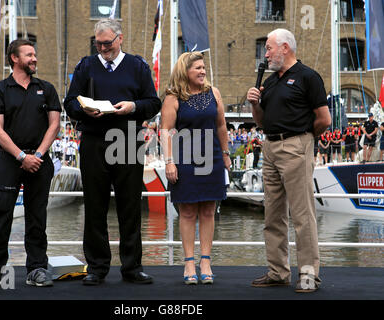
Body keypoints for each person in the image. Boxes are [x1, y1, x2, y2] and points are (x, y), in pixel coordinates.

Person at [64, 18, 161, 286]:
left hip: (127, 139)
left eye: (107, 43)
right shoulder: (86, 66)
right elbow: (69, 101)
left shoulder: (138, 67)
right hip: (94, 141)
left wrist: (133, 107)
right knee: (94, 205)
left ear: (120, 39)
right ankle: (97, 267)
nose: (103, 49)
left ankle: (132, 267)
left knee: (130, 205)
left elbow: (153, 103)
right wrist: (82, 109)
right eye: (99, 44)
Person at [247, 28, 331, 293]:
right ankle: (278, 271)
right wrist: (254, 104)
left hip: (296, 145)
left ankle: (308, 274)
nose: (266, 53)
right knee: (272, 213)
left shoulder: (308, 77)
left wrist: (303, 139)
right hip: (269, 146)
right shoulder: (270, 82)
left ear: (285, 48)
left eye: (269, 48)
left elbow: (325, 119)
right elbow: (261, 121)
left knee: (302, 215)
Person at [0, 39, 61, 288]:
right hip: (9, 161)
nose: (34, 58)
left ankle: (36, 268)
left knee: (37, 217)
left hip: (39, 161)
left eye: (34, 54)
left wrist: (37, 154)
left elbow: (54, 124)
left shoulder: (46, 89)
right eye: (29, 55)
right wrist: (21, 157)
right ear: (14, 58)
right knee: (1, 215)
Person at [161, 51, 231, 285]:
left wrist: (226, 153)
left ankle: (206, 261)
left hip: (211, 158)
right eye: (197, 68)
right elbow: (166, 131)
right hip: (184, 160)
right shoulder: (173, 97)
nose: (202, 71)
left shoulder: (214, 93)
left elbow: (221, 125)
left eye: (203, 67)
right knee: (188, 212)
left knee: (209, 210)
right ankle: (189, 262)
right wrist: (169, 161)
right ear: (185, 71)